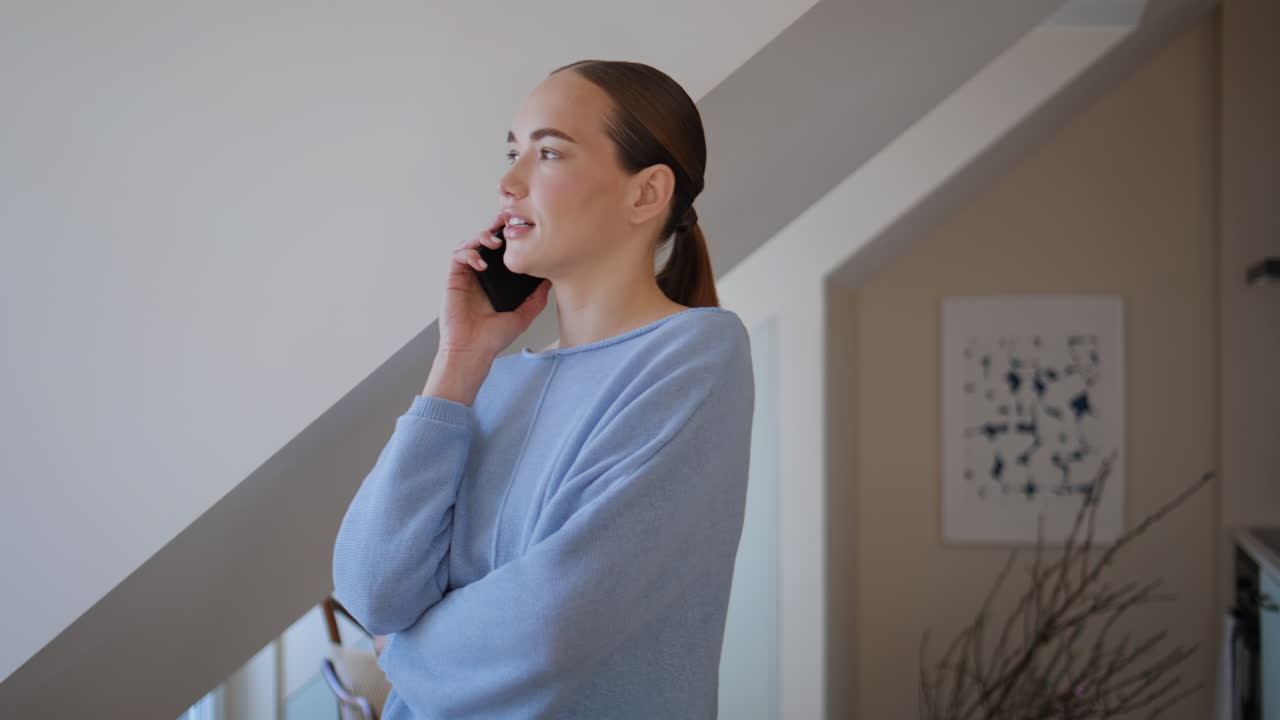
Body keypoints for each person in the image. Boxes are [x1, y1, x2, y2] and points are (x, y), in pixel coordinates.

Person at [332, 59, 755, 719]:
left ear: (646, 194)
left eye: (549, 152)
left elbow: (553, 621)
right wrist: (459, 361)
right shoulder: (495, 377)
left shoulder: (697, 352)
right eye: (512, 151)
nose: (507, 182)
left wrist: (402, 653)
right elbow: (373, 591)